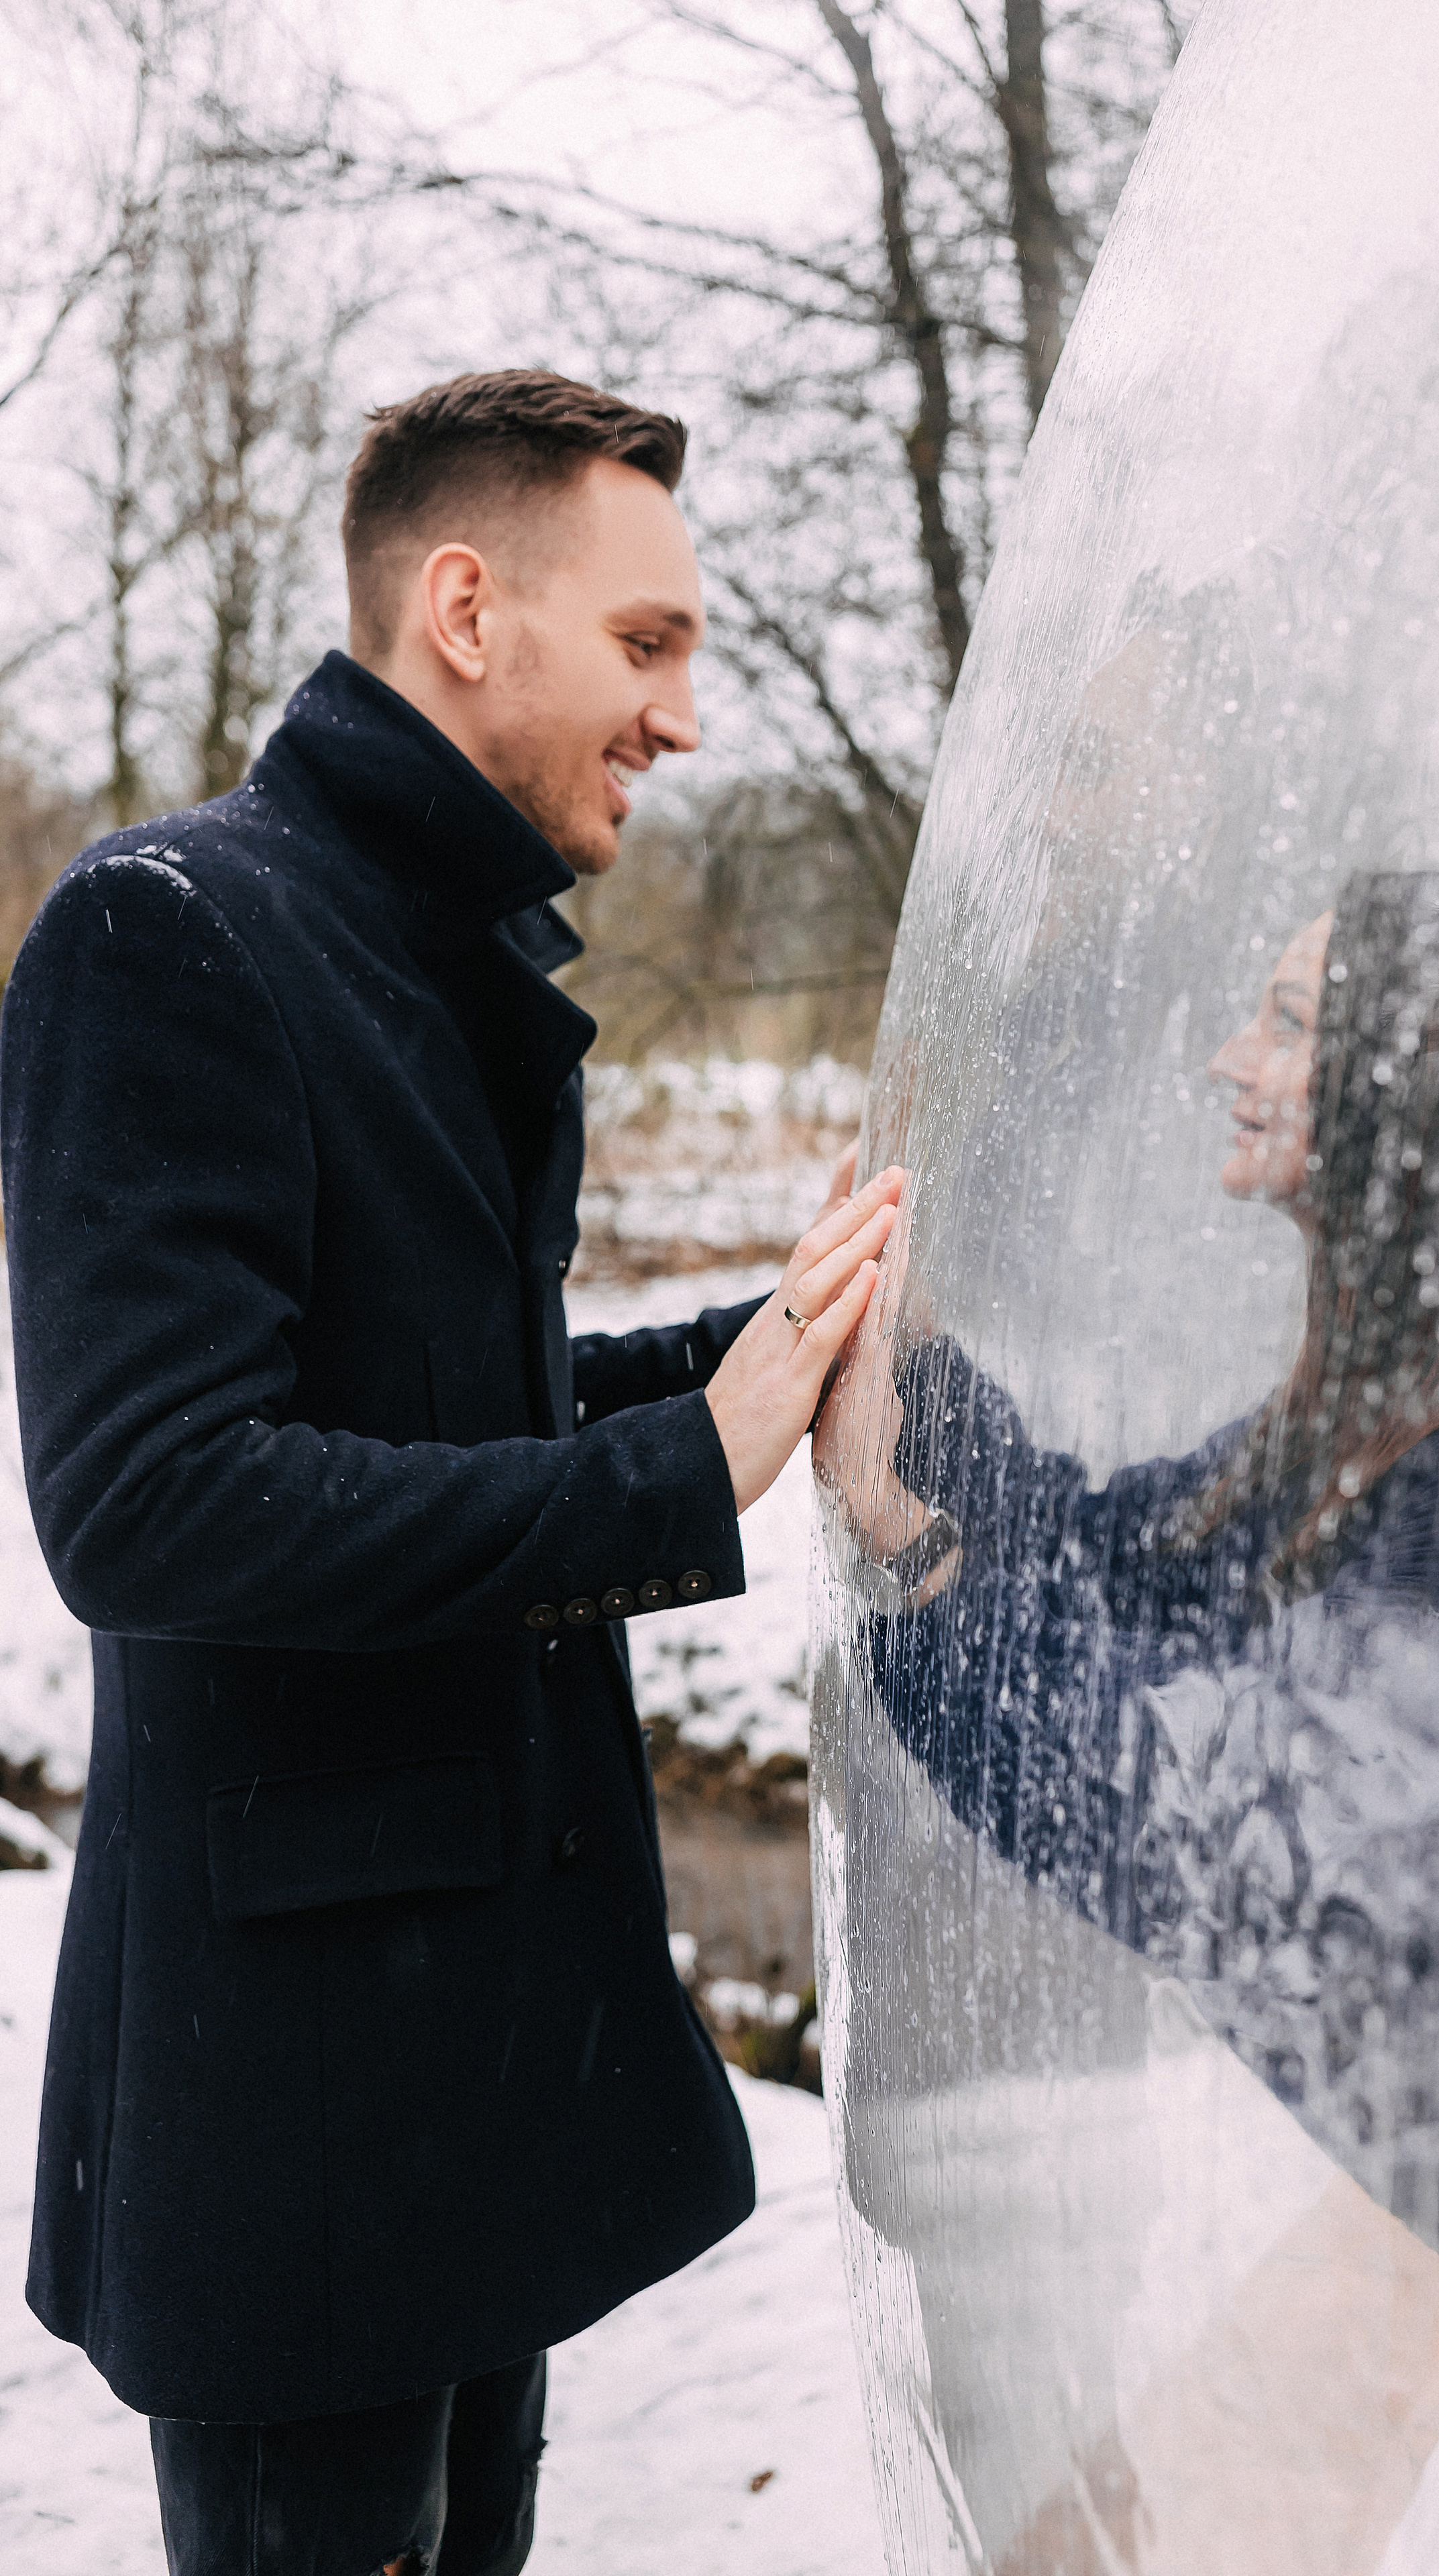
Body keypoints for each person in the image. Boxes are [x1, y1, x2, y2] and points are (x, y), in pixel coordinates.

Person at [0, 367, 902, 2576]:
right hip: (297, 2112)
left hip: (461, 2071)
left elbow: (430, 1403)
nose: (685, 717)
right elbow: (153, 1501)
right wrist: (682, 1476)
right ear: (468, 606)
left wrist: (764, 1348)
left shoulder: (425, 953)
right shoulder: (174, 932)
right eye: (651, 645)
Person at [818, 869, 1439, 2571]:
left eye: (1290, 1023)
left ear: (1411, 1087)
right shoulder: (1392, 1416)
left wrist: (916, 1555)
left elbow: (1212, 1843)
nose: (1234, 1056)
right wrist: (916, 1369)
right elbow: (1109, 1561)